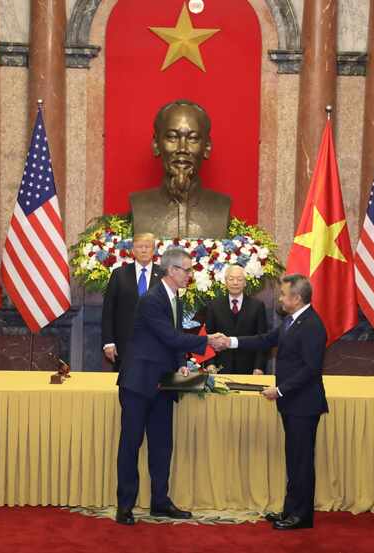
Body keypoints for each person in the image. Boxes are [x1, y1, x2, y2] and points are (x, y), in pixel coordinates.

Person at [115, 247, 226, 526]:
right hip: (139, 383)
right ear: (172, 271)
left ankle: (160, 502)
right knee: (131, 444)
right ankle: (125, 506)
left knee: (162, 446)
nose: (190, 274)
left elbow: (171, 341)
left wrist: (181, 363)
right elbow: (169, 335)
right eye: (187, 270)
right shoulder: (152, 299)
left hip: (163, 384)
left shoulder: (173, 296)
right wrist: (207, 342)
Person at [214, 274, 328, 530]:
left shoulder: (312, 325)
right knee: (294, 459)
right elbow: (265, 339)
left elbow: (311, 369)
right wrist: (230, 341)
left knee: (301, 462)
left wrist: (280, 390)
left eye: (283, 295)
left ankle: (301, 517)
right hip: (293, 404)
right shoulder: (293, 320)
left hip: (303, 405)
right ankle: (290, 510)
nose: (280, 299)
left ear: (296, 298)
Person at [130, 99, 231, 238]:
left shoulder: (221, 206)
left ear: (207, 146)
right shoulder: (139, 204)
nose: (182, 149)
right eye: (172, 137)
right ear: (156, 145)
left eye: (193, 138)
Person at [101, 233, 162, 371]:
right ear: (133, 251)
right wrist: (108, 342)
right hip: (124, 345)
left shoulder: (164, 275)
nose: (144, 250)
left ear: (154, 250)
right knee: (125, 388)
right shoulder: (119, 274)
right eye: (140, 246)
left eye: (148, 246)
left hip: (157, 345)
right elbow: (108, 310)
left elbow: (171, 313)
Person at [204, 264, 268, 375]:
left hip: (249, 369)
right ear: (225, 281)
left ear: (245, 282)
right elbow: (208, 336)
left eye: (239, 279)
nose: (235, 283)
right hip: (220, 368)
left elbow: (263, 339)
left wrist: (259, 367)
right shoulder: (213, 306)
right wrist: (210, 363)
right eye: (231, 279)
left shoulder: (257, 306)